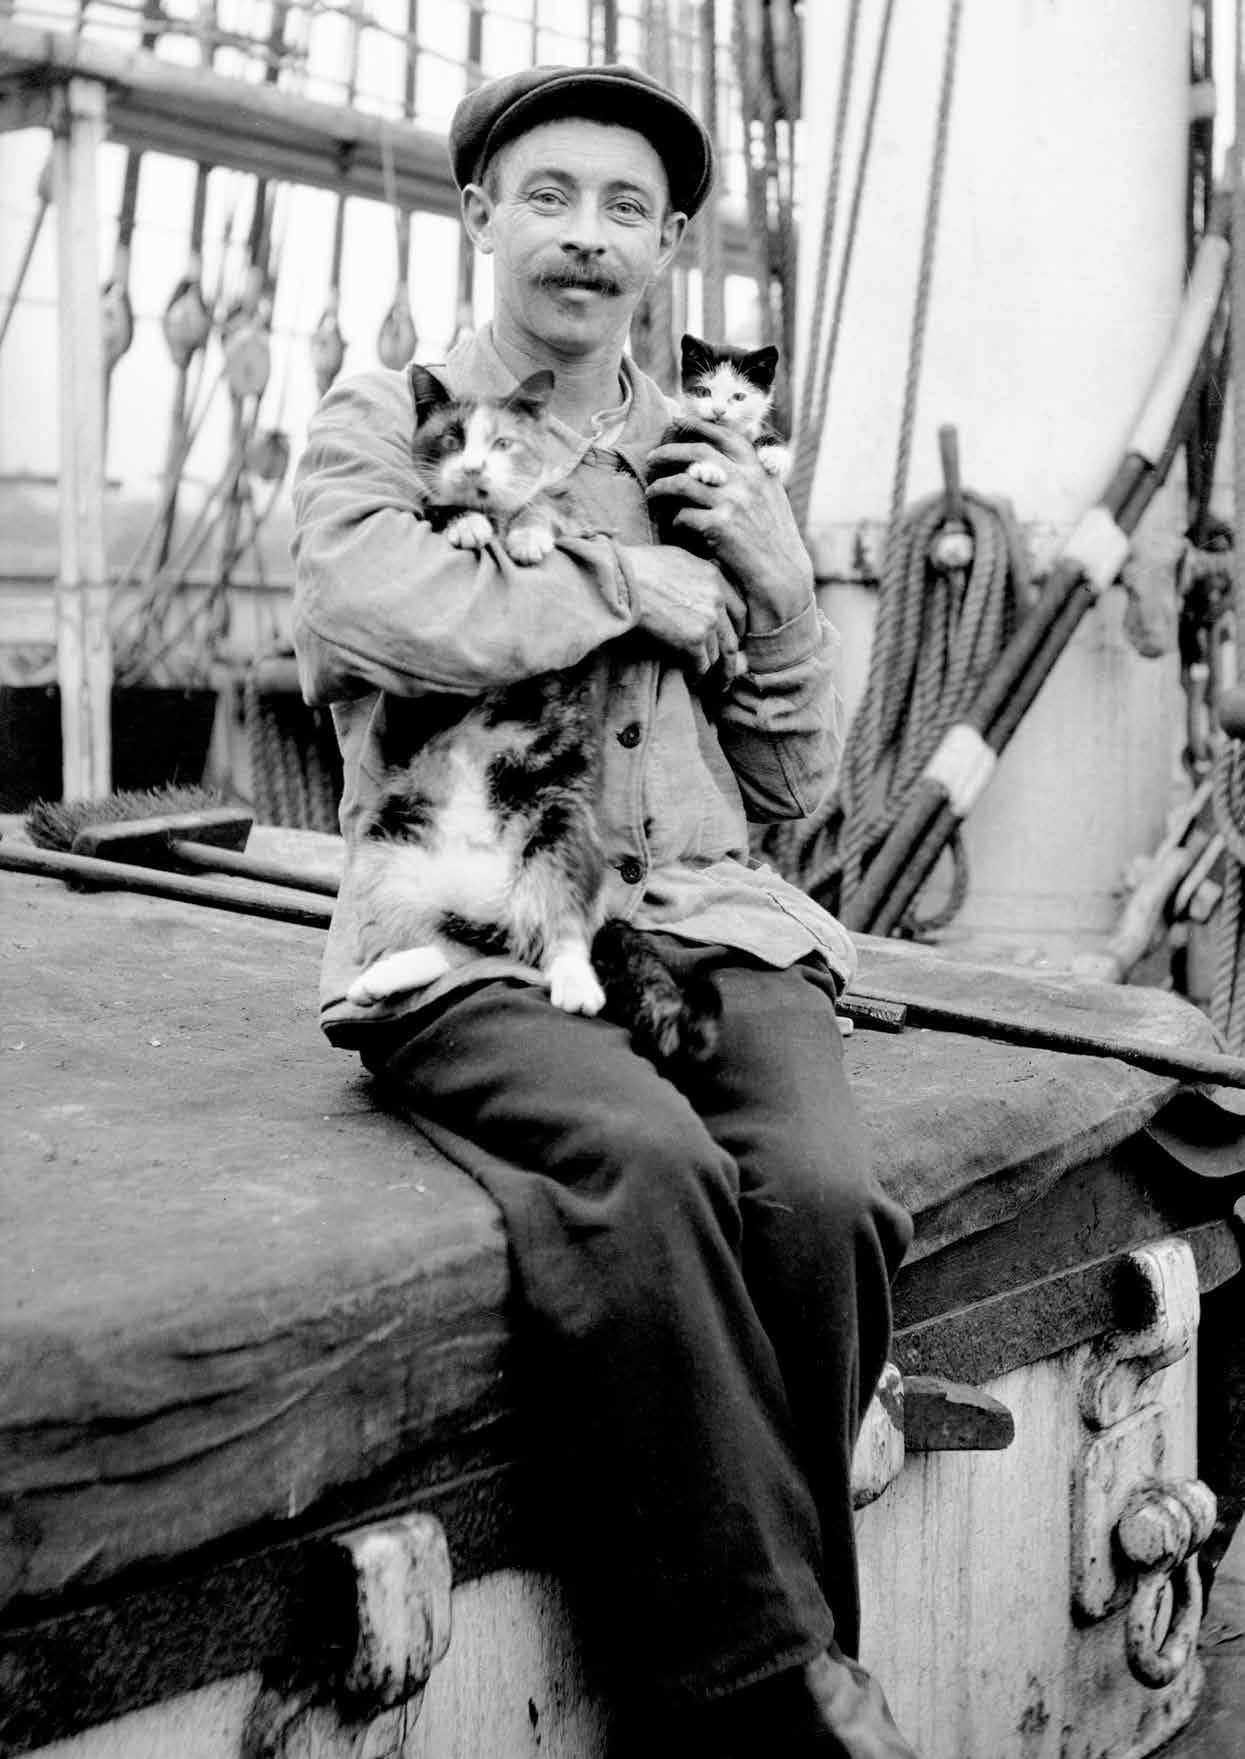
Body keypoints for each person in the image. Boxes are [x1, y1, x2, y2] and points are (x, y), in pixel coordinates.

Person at [291, 61, 918, 1759]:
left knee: (823, 1201)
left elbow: (794, 790)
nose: (586, 236)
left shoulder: (706, 452)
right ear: (481, 215)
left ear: (668, 246)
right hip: (475, 921)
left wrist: (777, 596)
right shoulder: (388, 419)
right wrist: (625, 577)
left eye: (626, 208)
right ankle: (781, 1695)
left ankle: (778, 1685)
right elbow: (364, 605)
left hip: (713, 921)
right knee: (645, 1168)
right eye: (550, 197)